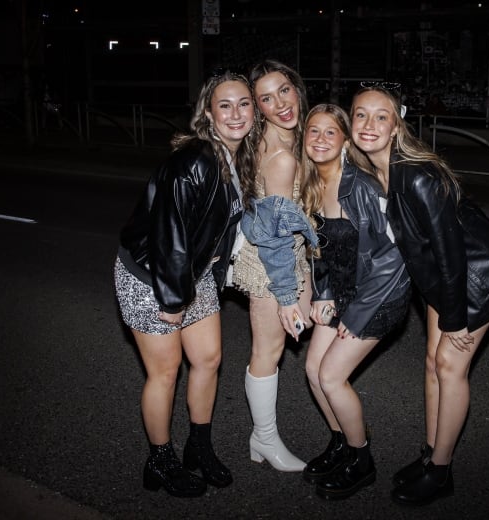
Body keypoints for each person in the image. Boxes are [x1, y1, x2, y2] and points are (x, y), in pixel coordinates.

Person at [350, 84, 489, 506]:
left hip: (478, 273)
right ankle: (430, 454)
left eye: (381, 116)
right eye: (360, 115)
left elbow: (450, 254)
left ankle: (442, 471)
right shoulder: (376, 169)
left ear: (396, 126)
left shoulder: (417, 174)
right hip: (441, 277)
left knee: (449, 365)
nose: (369, 124)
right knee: (430, 360)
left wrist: (457, 319)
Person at [114, 70, 256, 497]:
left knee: (209, 359)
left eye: (244, 103)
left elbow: (218, 226)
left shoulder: (236, 158)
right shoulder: (195, 160)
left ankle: (199, 446)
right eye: (224, 105)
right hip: (151, 275)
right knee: (165, 371)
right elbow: (169, 234)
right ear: (208, 115)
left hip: (191, 273)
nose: (236, 114)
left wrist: (212, 272)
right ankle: (159, 460)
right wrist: (175, 301)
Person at [299, 104, 411, 500]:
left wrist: (359, 315)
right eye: (314, 131)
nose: (321, 139)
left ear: (345, 140)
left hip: (380, 295)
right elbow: (325, 251)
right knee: (313, 370)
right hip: (344, 290)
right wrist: (323, 294)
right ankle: (341, 443)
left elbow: (393, 257)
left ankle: (361, 460)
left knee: (331, 376)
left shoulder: (360, 186)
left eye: (332, 132)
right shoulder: (313, 183)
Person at [231, 59, 313, 472]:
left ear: (296, 87)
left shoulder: (292, 137)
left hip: (288, 256)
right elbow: (276, 236)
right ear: (258, 108)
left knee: (288, 341)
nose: (280, 103)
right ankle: (264, 439)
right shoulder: (280, 156)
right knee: (269, 350)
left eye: (284, 90)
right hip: (269, 265)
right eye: (266, 98)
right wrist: (285, 297)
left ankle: (262, 437)